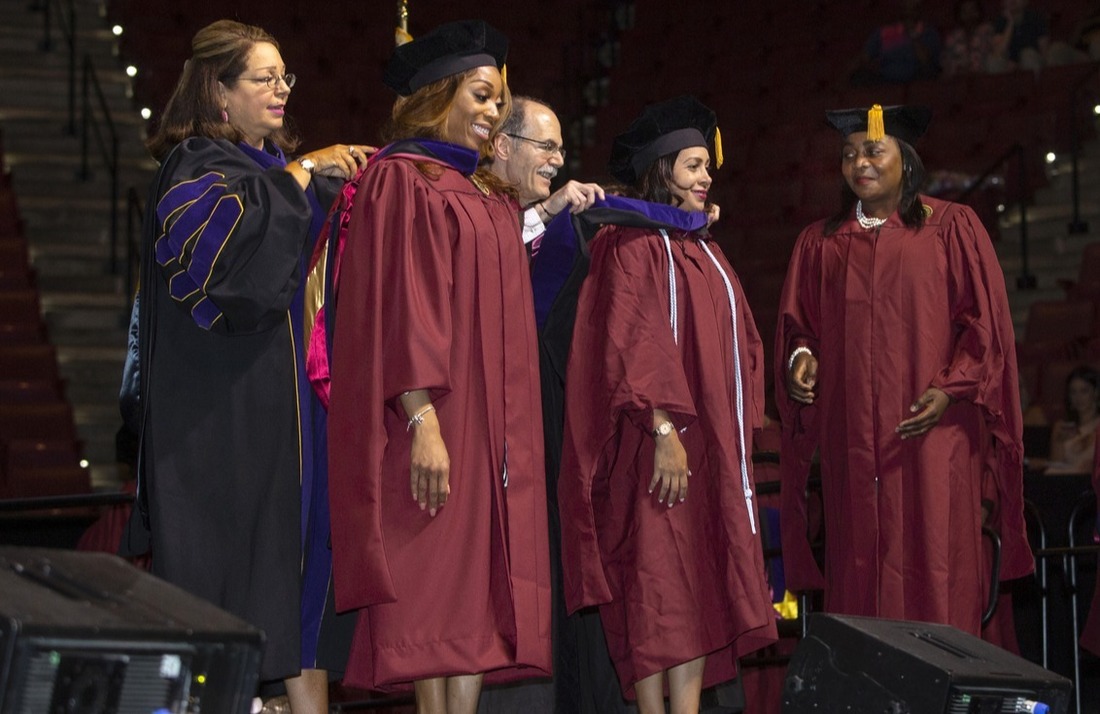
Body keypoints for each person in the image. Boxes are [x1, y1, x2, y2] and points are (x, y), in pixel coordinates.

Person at [130, 18, 368, 714]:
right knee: (224, 590)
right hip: (214, 432)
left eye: (285, 76)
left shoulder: (271, 175)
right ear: (219, 93)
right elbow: (234, 280)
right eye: (263, 77)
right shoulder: (194, 168)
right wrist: (300, 176)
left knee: (287, 585)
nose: (281, 89)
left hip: (278, 425)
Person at [323, 20, 551, 713]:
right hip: (433, 419)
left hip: (490, 428)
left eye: (497, 101)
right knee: (435, 587)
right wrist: (420, 419)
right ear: (437, 95)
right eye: (480, 96)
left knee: (478, 597)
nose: (491, 112)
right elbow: (405, 308)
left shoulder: (486, 195)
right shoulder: (402, 180)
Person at [776, 103, 1033, 637]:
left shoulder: (950, 228)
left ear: (907, 161)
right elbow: (802, 327)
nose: (859, 163)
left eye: (873, 149)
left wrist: (949, 390)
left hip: (934, 437)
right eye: (849, 155)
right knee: (860, 571)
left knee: (935, 566)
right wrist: (803, 359)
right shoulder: (822, 243)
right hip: (855, 445)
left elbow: (984, 330)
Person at [559, 95, 777, 714]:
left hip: (706, 449)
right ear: (660, 172)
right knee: (659, 585)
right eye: (692, 166)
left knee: (698, 582)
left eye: (707, 166)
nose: (706, 178)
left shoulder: (704, 249)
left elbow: (741, 346)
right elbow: (631, 340)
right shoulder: (630, 245)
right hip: (656, 450)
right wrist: (663, 429)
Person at [489, 96, 604, 254]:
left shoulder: (526, 212)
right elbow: (489, 242)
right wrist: (545, 210)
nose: (559, 161)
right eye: (548, 146)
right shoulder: (469, 201)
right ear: (504, 147)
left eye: (559, 150)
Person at [849, 0, 942, 84]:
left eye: (912, 5)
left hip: (916, 80)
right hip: (885, 80)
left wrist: (912, 34)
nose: (908, 8)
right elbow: (864, 57)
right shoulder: (884, 32)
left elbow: (926, 61)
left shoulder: (929, 32)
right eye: (905, 5)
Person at [1034, 365, 1100, 475]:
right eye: (1073, 392)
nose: (1078, 397)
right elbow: (1056, 463)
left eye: (1084, 391)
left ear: (1096, 392)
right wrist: (1059, 440)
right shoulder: (1061, 427)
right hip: (1067, 479)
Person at [940, 0, 996, 76]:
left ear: (979, 12)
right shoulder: (953, 36)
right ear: (959, 15)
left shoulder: (987, 31)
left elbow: (992, 57)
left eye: (972, 10)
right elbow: (946, 62)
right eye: (964, 11)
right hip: (959, 80)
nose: (969, 15)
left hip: (984, 78)